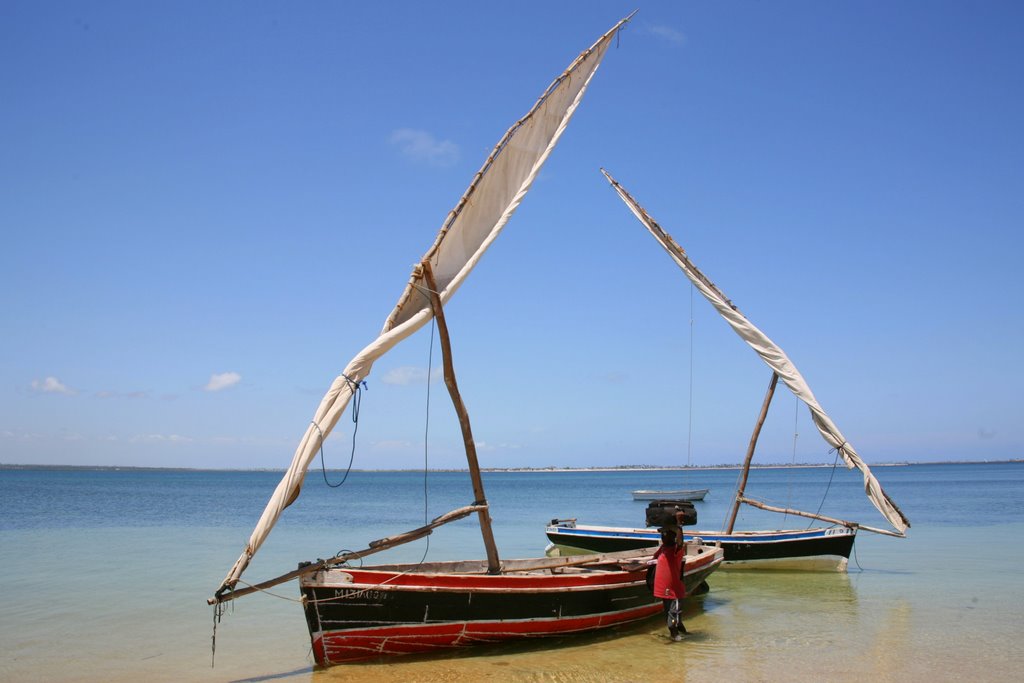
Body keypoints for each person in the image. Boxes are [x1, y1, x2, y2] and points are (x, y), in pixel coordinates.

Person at [652, 526, 688, 641]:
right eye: (662, 534)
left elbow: (681, 542)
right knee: (670, 614)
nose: (663, 537)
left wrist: (679, 528)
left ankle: (676, 638)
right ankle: (680, 633)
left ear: (673, 537)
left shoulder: (676, 550)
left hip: (674, 592)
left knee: (672, 619)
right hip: (664, 591)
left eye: (665, 534)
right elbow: (653, 560)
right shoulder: (663, 548)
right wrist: (633, 568)